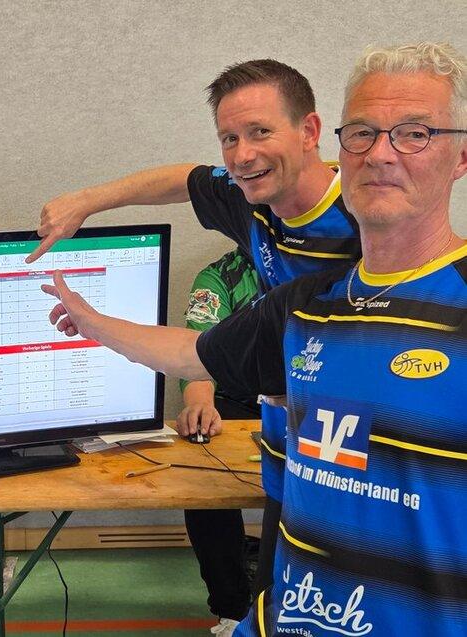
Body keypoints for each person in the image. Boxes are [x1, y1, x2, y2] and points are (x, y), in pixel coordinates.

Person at [44, 41, 467, 636]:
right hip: (299, 446)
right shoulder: (277, 255)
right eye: (364, 134)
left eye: (414, 134)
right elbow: (195, 345)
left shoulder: (376, 236)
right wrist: (86, 214)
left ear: (311, 134)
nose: (380, 156)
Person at [31, 60, 362, 626]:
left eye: (260, 132)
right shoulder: (249, 198)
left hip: (358, 440)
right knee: (277, 599)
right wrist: (88, 200)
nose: (242, 154)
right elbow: (185, 179)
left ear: (309, 131)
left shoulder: (362, 217)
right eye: (230, 138)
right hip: (290, 429)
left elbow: (195, 354)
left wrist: (96, 324)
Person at [177, 249, 261, 634]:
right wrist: (199, 403)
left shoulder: (334, 262)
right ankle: (232, 610)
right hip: (236, 402)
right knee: (202, 471)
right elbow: (197, 351)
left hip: (312, 398)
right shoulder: (220, 278)